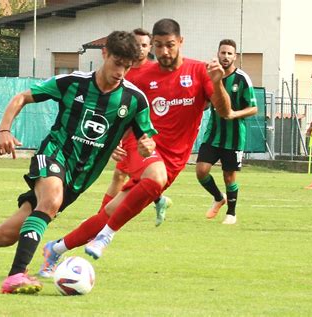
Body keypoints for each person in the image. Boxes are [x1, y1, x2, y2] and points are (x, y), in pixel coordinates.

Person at [0, 30, 158, 295]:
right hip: (53, 154)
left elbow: (147, 138)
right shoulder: (73, 82)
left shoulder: (135, 100)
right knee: (51, 200)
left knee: (6, 234)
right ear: (105, 54)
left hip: (79, 178)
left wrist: (146, 146)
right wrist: (4, 129)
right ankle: (16, 275)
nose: (121, 71)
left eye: (128, 67)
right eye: (117, 63)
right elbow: (22, 97)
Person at [38, 18, 232, 274]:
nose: (163, 52)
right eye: (159, 46)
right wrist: (113, 142)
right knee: (152, 178)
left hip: (173, 161)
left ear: (181, 42)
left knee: (110, 212)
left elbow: (225, 111)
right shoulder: (140, 74)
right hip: (141, 147)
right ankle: (105, 237)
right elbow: (114, 106)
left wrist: (217, 82)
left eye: (170, 45)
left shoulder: (199, 72)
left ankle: (56, 249)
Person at [98, 27, 172, 233]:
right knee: (121, 175)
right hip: (127, 132)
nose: (140, 49)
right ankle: (158, 199)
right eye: (137, 44)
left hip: (142, 135)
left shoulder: (155, 72)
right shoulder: (121, 69)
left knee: (126, 175)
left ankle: (102, 218)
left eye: (144, 45)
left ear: (149, 49)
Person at [196, 39, 258, 225]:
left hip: (235, 137)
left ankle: (231, 213)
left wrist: (233, 114)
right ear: (218, 54)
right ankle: (218, 197)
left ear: (235, 57)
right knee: (201, 171)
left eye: (229, 53)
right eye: (223, 53)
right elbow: (206, 102)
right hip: (212, 134)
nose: (226, 56)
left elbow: (253, 108)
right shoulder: (211, 76)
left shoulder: (242, 79)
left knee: (229, 176)